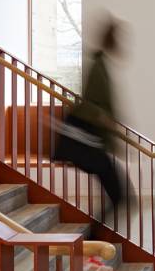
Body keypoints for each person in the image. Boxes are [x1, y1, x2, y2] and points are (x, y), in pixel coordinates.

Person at [53, 18, 125, 209]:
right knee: (118, 192)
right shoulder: (98, 66)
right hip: (90, 139)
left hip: (94, 139)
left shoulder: (101, 64)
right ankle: (98, 234)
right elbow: (89, 103)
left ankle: (100, 233)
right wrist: (104, 119)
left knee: (117, 191)